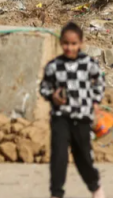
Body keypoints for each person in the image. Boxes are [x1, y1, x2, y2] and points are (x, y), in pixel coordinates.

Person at [40, 22, 105, 198]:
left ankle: (95, 187)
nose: (70, 47)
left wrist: (95, 101)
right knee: (59, 156)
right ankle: (56, 193)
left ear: (81, 43)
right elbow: (44, 87)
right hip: (61, 117)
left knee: (83, 156)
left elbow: (99, 82)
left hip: (82, 117)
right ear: (61, 43)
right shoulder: (54, 66)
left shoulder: (89, 64)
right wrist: (53, 96)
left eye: (74, 43)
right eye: (66, 43)